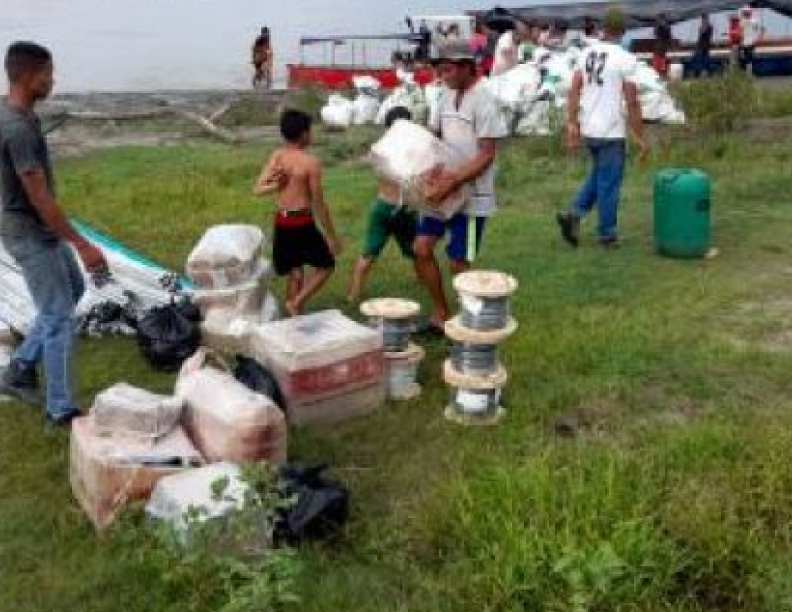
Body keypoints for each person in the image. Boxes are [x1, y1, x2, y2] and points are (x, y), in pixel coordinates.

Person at [0, 42, 108, 427]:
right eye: (48, 73)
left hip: (39, 228)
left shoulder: (17, 113)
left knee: (73, 291)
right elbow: (40, 197)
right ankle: (59, 409)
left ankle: (20, 367)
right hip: (28, 233)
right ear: (30, 77)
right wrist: (83, 245)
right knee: (59, 315)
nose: (53, 80)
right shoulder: (17, 128)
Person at [414, 41, 508, 330]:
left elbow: (487, 154)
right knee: (421, 248)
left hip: (472, 196)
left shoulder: (485, 100)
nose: (443, 76)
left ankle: (471, 319)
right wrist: (427, 168)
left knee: (458, 261)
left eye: (448, 70)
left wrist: (454, 181)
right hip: (441, 189)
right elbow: (435, 137)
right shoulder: (443, 96)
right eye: (440, 70)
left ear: (468, 67)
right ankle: (440, 313)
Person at [556, 9, 648, 249]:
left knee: (599, 176)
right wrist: (639, 136)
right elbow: (632, 101)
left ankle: (574, 214)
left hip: (590, 127)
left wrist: (572, 123)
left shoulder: (586, 53)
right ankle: (607, 234)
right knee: (609, 184)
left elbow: (574, 90)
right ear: (623, 31)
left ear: (602, 28)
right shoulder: (625, 58)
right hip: (611, 130)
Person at [254, 110, 342, 316]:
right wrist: (331, 236)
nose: (312, 134)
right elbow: (318, 202)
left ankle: (292, 317)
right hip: (301, 223)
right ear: (303, 134)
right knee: (327, 265)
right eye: (310, 130)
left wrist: (276, 185)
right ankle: (296, 303)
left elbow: (258, 189)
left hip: (282, 222)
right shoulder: (310, 162)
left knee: (295, 272)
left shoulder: (277, 156)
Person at [347, 107, 418, 304]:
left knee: (369, 251)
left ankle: (354, 293)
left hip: (381, 205)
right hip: (403, 208)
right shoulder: (410, 150)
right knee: (417, 249)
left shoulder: (378, 149)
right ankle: (421, 279)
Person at [739, 5, 763, 73]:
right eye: (745, 12)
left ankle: (749, 72)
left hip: (751, 42)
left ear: (750, 12)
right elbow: (740, 32)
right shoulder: (741, 21)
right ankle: (744, 72)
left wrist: (757, 39)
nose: (746, 13)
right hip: (742, 43)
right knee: (743, 58)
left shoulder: (754, 21)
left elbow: (760, 30)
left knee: (749, 58)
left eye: (747, 12)